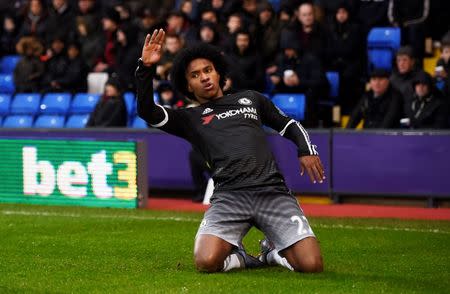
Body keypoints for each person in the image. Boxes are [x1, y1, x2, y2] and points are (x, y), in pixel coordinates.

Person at [136, 29, 325, 273]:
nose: (204, 77)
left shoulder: (251, 99)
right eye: (195, 75)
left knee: (311, 265)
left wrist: (305, 149)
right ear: (188, 86)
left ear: (218, 72)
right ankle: (242, 258)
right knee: (206, 261)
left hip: (272, 192)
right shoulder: (188, 118)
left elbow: (289, 124)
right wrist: (145, 69)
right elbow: (147, 111)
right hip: (229, 197)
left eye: (208, 70)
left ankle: (272, 252)